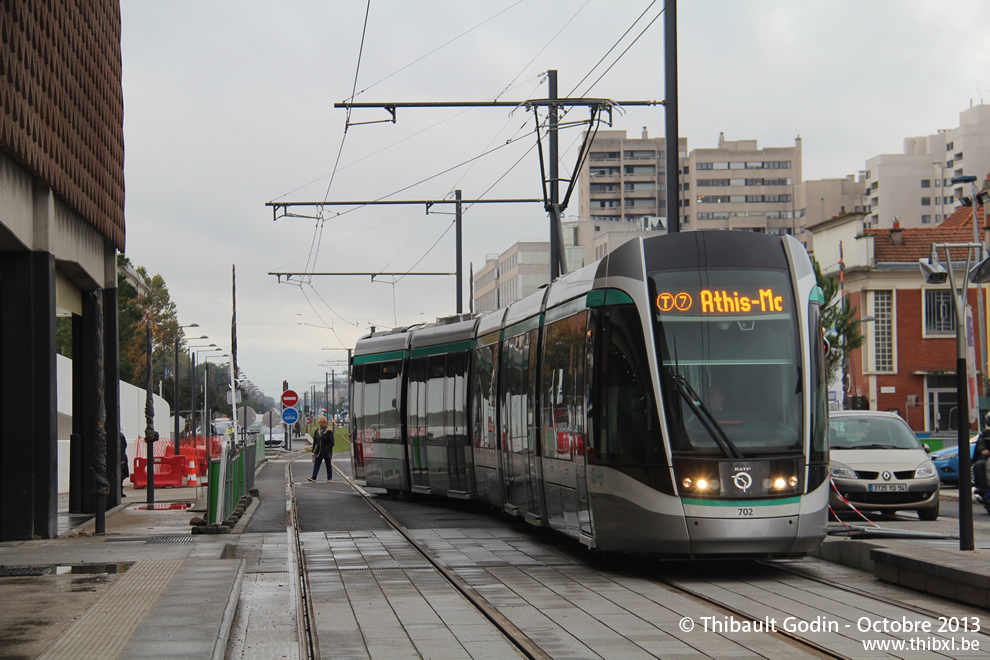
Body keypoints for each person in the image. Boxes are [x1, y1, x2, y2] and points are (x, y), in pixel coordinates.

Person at [308, 416, 333, 483]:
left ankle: (329, 478)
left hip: (327, 452)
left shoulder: (329, 431)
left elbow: (332, 442)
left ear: (325, 423)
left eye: (322, 423)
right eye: (320, 423)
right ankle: (314, 477)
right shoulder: (317, 431)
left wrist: (327, 449)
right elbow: (315, 442)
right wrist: (313, 451)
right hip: (319, 451)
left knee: (328, 464)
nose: (321, 424)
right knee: (316, 464)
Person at [973, 414, 990, 501]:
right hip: (988, 458)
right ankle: (983, 489)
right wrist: (983, 449)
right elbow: (981, 442)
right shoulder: (985, 433)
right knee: (979, 465)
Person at [120, 429, 129, 498]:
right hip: (121, 458)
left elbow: (122, 448)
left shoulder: (120, 436)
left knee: (121, 476)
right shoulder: (121, 436)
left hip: (121, 458)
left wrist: (122, 459)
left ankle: (120, 491)